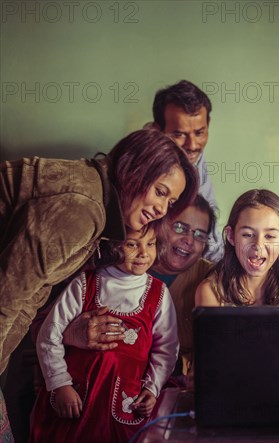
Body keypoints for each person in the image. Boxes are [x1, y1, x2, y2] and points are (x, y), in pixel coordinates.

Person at [0, 129, 196, 378]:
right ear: (135, 170)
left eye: (170, 203)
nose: (161, 209)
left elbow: (30, 298)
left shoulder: (99, 203)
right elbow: (7, 297)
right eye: (160, 192)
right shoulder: (85, 208)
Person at [29, 225, 178, 442]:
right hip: (75, 400)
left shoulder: (159, 293)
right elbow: (49, 334)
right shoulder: (85, 283)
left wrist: (152, 388)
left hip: (125, 406)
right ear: (113, 245)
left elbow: (166, 348)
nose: (144, 253)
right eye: (132, 244)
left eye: (151, 244)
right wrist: (60, 383)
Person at [151, 80, 223, 262]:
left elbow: (208, 226)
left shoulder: (193, 157)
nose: (192, 145)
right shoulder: (137, 164)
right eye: (179, 134)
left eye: (199, 133)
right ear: (157, 130)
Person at [195, 189, 279, 306]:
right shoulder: (211, 292)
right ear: (231, 235)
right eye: (248, 235)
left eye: (269, 236)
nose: (258, 246)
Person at [150, 195, 215, 377]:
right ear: (160, 224)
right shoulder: (129, 263)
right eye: (180, 227)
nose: (189, 240)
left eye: (200, 235)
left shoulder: (211, 278)